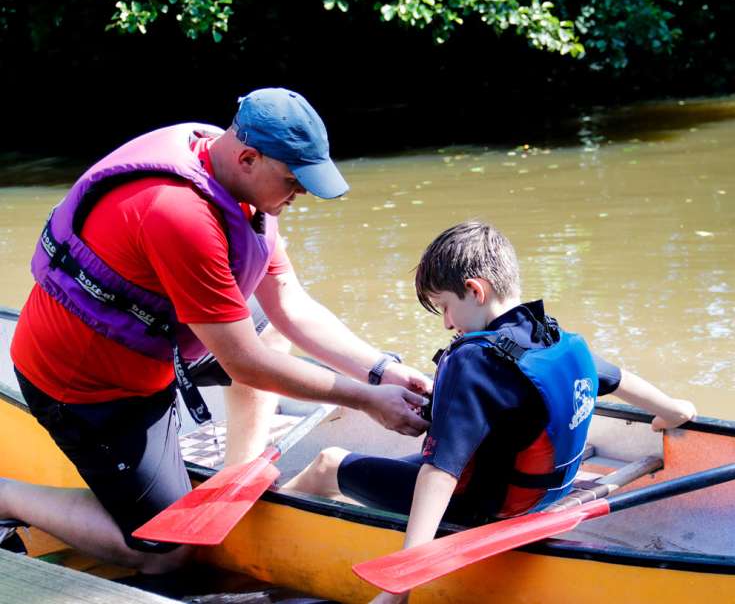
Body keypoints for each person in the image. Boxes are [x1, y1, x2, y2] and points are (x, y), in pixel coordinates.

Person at [2, 88, 431, 574]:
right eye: (294, 181)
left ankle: (240, 473)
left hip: (158, 345)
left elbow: (288, 306)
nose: (303, 194)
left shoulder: (237, 179)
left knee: (265, 328)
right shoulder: (180, 213)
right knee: (167, 551)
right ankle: (8, 496)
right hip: (86, 382)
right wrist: (364, 399)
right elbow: (242, 361)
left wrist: (383, 372)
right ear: (248, 157)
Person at [284, 221, 697, 604]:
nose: (447, 324)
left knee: (327, 462)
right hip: (542, 493)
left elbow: (440, 471)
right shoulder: (553, 336)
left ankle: (269, 520)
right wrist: (672, 410)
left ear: (475, 290)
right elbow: (617, 378)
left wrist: (403, 580)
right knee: (392, 468)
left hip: (486, 504)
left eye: (444, 307)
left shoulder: (473, 361)